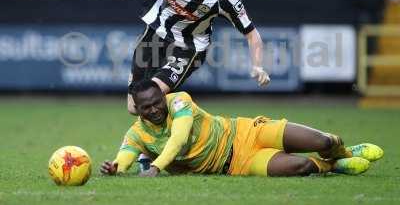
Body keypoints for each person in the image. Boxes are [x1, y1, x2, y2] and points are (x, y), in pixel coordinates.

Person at [101, 80, 384, 177]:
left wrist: (157, 166)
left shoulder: (180, 101)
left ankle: (344, 152)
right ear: (138, 110)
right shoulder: (137, 134)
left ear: (163, 97)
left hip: (245, 131)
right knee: (302, 168)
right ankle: (332, 167)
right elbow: (124, 157)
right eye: (146, 107)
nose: (154, 110)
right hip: (238, 163)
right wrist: (115, 167)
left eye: (156, 102)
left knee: (321, 140)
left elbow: (178, 138)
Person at [121, 0, 270, 115]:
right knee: (134, 108)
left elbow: (252, 34)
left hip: (189, 47)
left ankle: (178, 134)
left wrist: (257, 65)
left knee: (152, 95)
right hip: (155, 32)